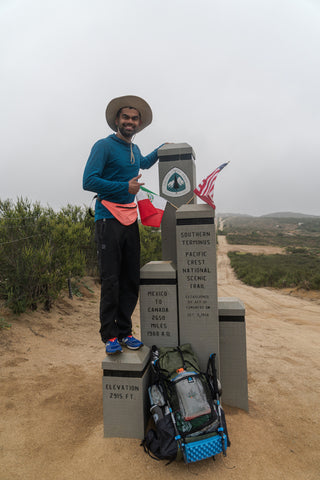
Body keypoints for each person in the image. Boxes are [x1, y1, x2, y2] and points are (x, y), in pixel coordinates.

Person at [83, 95, 164, 355]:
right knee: (111, 279)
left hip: (130, 217)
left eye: (134, 118)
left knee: (130, 278)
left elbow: (143, 163)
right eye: (126, 117)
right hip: (107, 217)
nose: (130, 122)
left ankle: (125, 331)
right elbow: (89, 180)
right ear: (117, 120)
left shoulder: (134, 149)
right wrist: (123, 187)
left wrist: (163, 149)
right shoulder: (103, 146)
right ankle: (109, 336)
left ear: (139, 124)